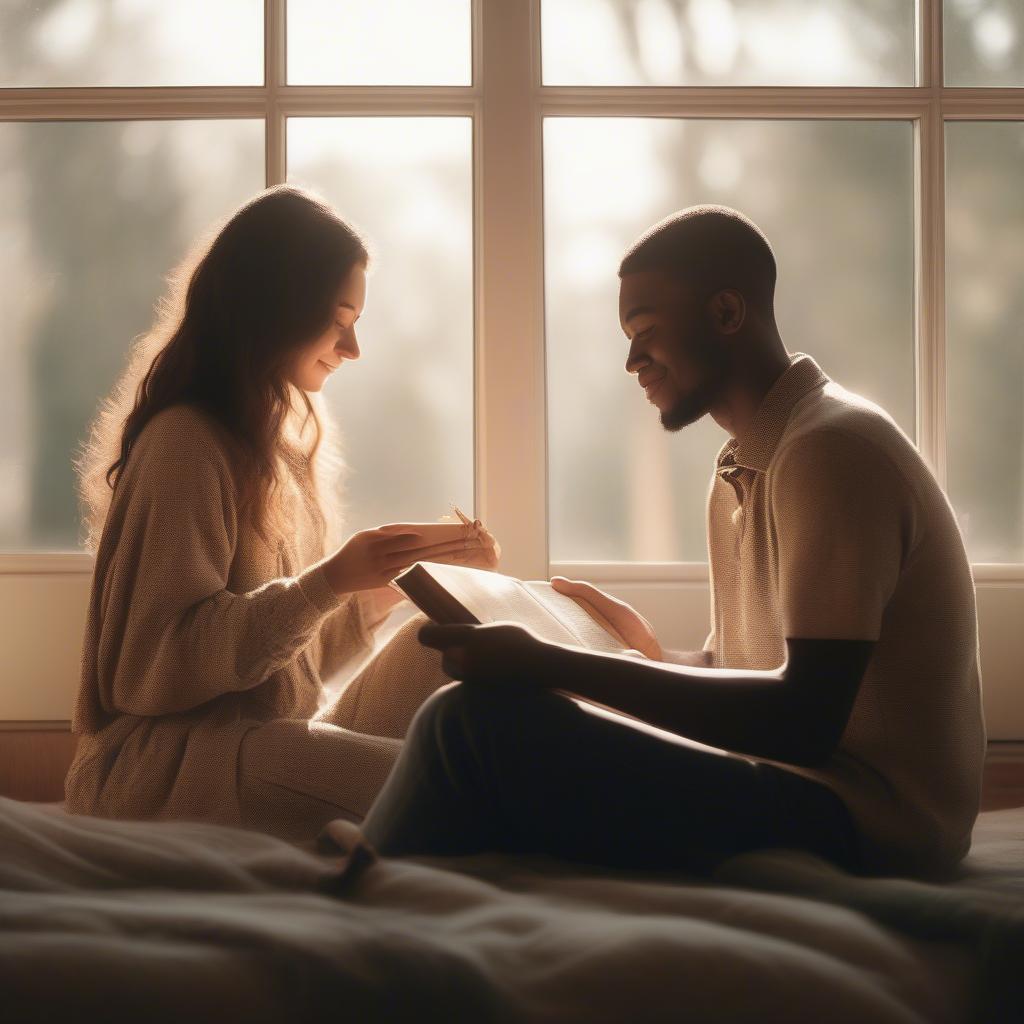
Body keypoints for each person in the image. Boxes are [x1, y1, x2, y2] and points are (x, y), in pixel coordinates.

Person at [360, 205, 986, 879]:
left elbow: (804, 719)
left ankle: (355, 900)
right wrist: (649, 649)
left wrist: (550, 664)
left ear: (725, 313)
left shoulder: (831, 451)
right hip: (809, 784)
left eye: (647, 331)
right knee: (478, 724)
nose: (631, 359)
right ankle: (384, 886)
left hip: (876, 821)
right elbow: (753, 674)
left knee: (469, 727)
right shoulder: (744, 467)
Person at [64, 185, 499, 842]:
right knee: (449, 779)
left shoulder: (282, 446)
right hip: (169, 769)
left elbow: (285, 666)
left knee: (433, 643)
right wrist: (327, 582)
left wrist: (382, 587)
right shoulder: (186, 443)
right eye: (340, 319)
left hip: (260, 738)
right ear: (277, 310)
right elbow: (152, 667)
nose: (352, 348)